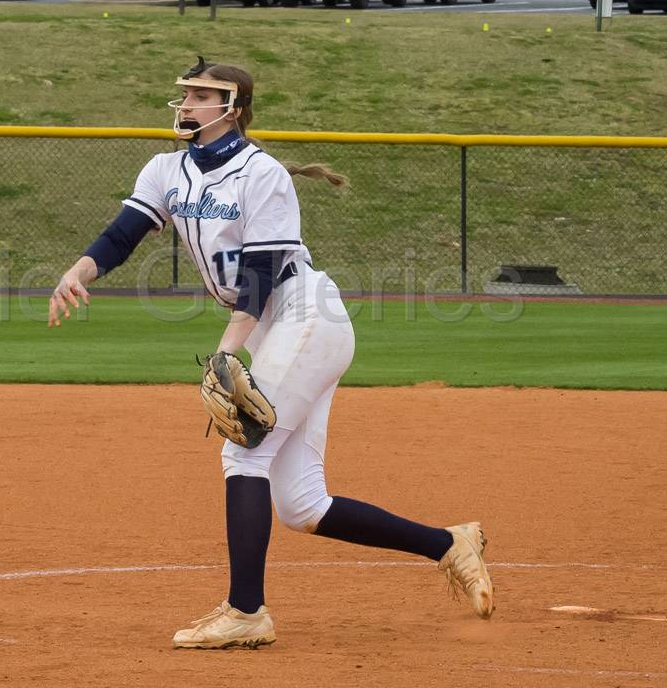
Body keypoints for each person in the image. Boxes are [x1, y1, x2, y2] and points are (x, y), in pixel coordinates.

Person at [47, 57, 494, 649]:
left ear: (232, 107)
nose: (186, 104)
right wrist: (78, 271)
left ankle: (247, 611)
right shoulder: (166, 169)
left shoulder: (262, 175)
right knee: (303, 505)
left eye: (201, 95)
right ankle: (449, 543)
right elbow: (122, 233)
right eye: (185, 94)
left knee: (244, 455)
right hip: (273, 330)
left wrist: (225, 353)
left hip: (307, 316)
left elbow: (258, 278)